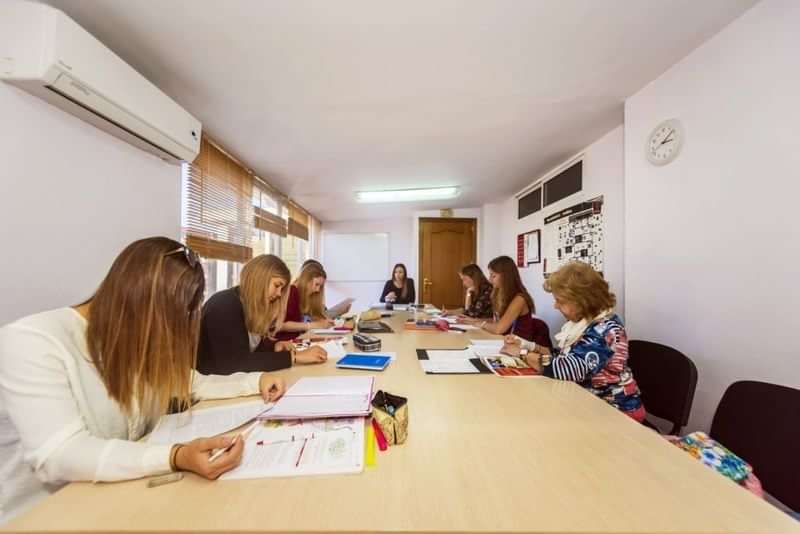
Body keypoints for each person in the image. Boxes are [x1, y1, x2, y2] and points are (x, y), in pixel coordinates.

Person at [0, 237, 287, 523]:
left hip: (117, 498)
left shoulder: (132, 338)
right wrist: (175, 456)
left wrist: (256, 381)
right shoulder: (33, 341)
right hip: (41, 516)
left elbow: (191, 384)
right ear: (140, 301)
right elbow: (61, 454)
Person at [503, 261, 645, 422]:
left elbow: (568, 368)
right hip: (586, 401)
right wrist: (527, 345)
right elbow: (564, 355)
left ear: (582, 300)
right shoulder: (583, 323)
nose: (555, 306)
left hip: (617, 411)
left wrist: (521, 354)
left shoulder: (607, 330)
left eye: (560, 301)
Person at [198, 254, 327, 375]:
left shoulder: (249, 307)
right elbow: (235, 364)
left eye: (281, 289)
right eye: (277, 286)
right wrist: (294, 357)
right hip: (211, 389)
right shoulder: (224, 305)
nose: (278, 294)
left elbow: (250, 348)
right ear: (260, 279)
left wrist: (273, 347)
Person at [463, 256, 550, 347]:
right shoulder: (499, 294)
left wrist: (481, 324)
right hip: (505, 341)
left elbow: (499, 329)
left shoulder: (519, 299)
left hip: (518, 346)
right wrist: (474, 321)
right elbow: (496, 320)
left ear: (506, 276)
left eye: (493, 276)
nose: (490, 280)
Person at [276, 263, 334, 340]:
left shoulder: (302, 295)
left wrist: (320, 322)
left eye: (320, 286)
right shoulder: (292, 292)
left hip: (298, 340)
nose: (317, 290)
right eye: (316, 284)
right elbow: (279, 326)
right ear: (306, 280)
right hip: (284, 343)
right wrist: (313, 325)